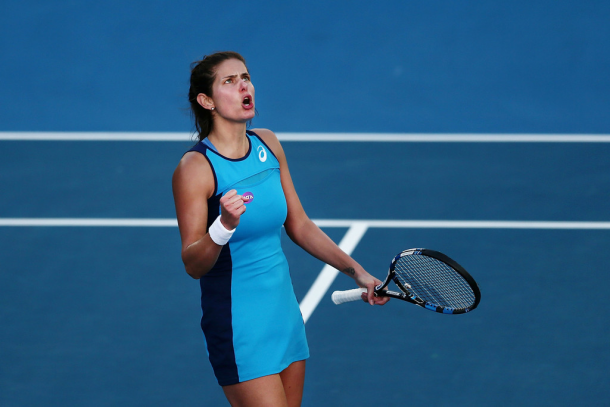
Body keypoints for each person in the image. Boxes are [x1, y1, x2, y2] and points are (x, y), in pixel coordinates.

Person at [172, 51, 389, 407]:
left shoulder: (268, 143)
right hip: (238, 325)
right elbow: (193, 264)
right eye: (229, 81)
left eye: (245, 77)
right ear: (206, 100)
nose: (244, 86)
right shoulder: (195, 168)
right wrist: (223, 226)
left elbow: (299, 224)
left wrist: (358, 273)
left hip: (284, 315)